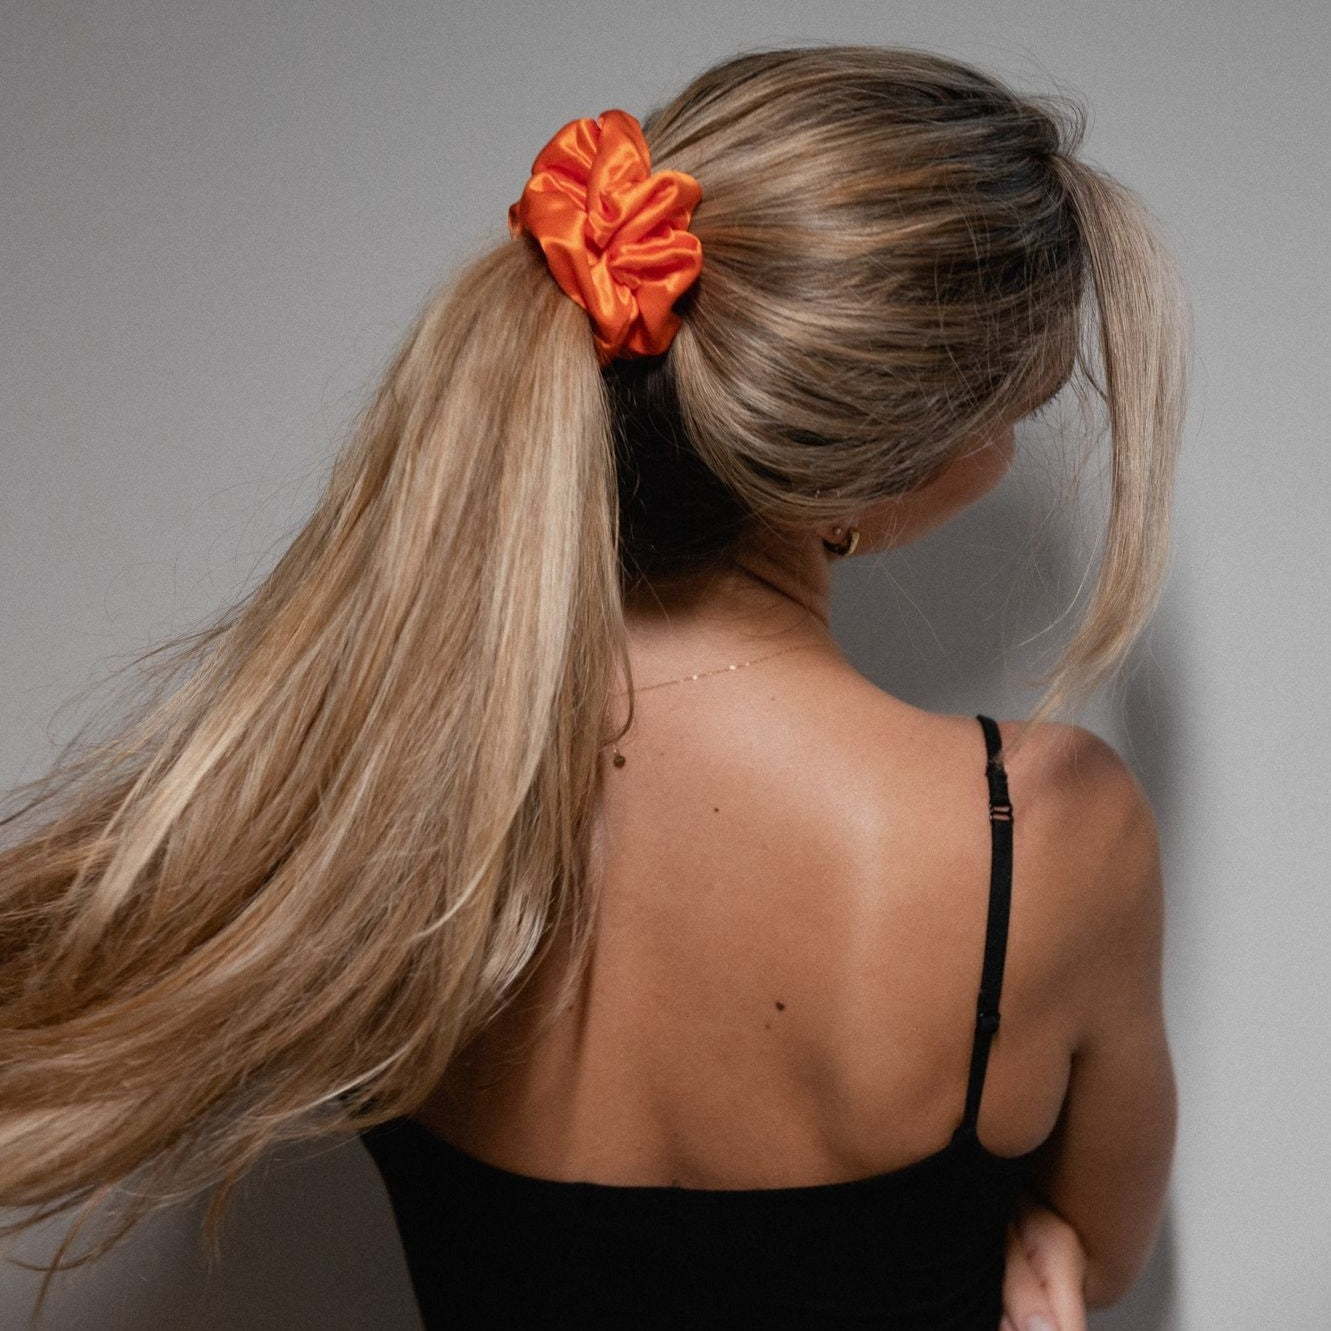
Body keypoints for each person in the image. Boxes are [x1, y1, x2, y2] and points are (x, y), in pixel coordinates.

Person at [0, 44, 1186, 1330]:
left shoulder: (364, 792)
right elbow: (1089, 1247)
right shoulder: (1047, 831)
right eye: (1014, 408)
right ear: (875, 464)